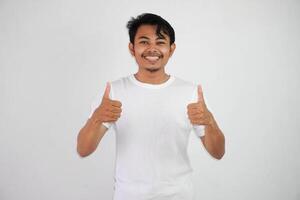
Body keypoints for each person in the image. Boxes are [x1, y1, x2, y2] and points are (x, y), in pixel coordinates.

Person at [77, 13, 225, 200]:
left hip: (179, 195)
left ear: (171, 49)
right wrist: (97, 117)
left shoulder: (192, 93)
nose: (152, 49)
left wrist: (210, 122)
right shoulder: (114, 91)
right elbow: (83, 149)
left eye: (160, 42)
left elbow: (218, 152)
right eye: (144, 42)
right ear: (132, 48)